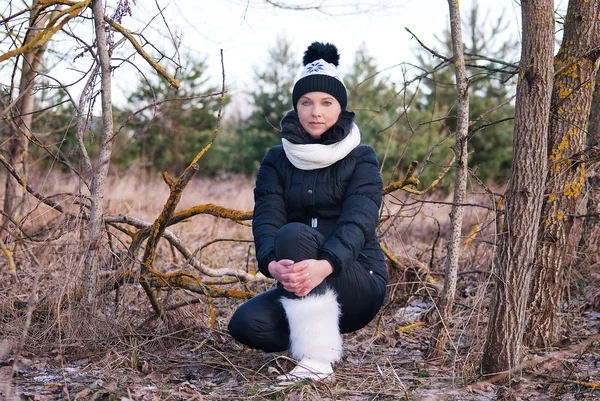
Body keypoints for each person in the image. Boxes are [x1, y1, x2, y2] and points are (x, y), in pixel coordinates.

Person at [228, 42, 388, 382]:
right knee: (245, 324)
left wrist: (325, 264)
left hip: (357, 279)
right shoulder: (277, 159)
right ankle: (312, 334)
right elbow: (267, 216)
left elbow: (359, 222)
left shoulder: (361, 158)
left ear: (340, 108)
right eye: (306, 102)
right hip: (302, 279)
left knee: (294, 233)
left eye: (326, 103)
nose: (316, 111)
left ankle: (317, 359)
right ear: (296, 108)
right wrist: (272, 263)